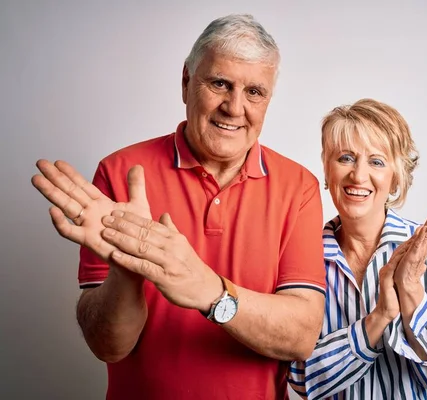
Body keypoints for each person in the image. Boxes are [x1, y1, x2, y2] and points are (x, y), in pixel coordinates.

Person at [31, 14, 326, 400]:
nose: (234, 108)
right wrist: (127, 270)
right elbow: (108, 347)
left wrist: (210, 291)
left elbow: (300, 337)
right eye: (220, 83)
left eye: (254, 92)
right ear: (187, 82)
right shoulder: (120, 174)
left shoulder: (298, 186)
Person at [287, 99, 427, 399]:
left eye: (376, 161)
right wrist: (380, 317)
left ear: (396, 176)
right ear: (326, 168)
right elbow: (303, 377)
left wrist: (410, 289)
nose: (358, 176)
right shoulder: (301, 255)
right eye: (345, 158)